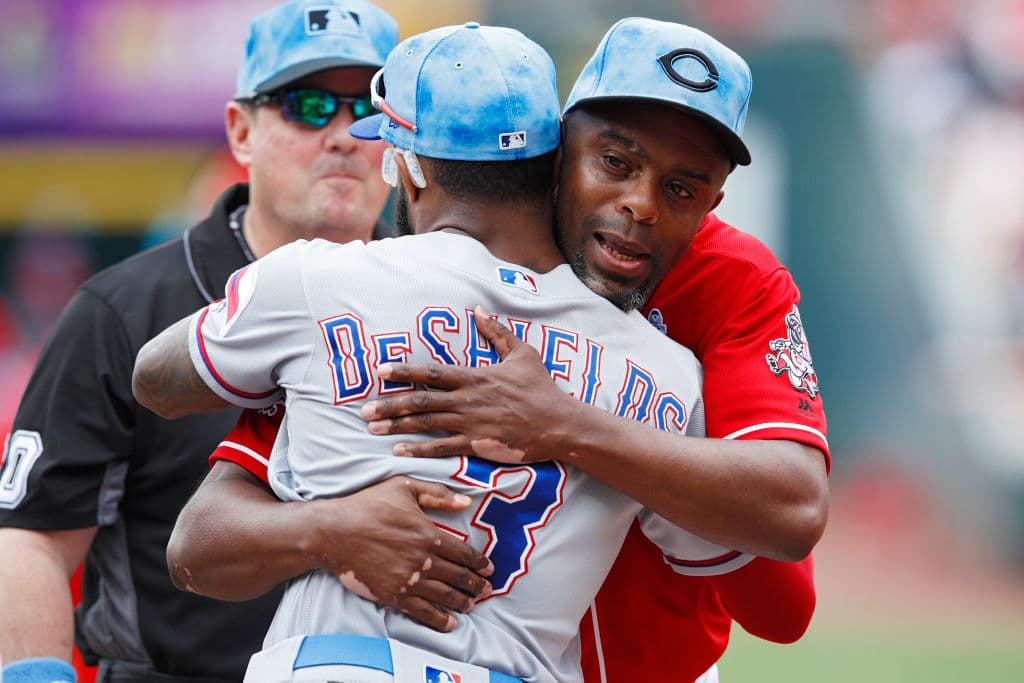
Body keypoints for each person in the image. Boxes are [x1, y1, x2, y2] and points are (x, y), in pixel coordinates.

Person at [161, 17, 829, 683]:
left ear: (713, 200)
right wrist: (330, 526)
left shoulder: (732, 281)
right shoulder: (389, 279)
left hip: (646, 660)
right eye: (616, 163)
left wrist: (567, 426)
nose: (640, 204)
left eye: (682, 188)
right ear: (557, 149)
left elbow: (786, 577)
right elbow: (208, 526)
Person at [0, 2, 493, 681]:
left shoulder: (447, 300)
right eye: (309, 105)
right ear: (241, 130)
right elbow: (33, 539)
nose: (345, 135)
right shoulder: (125, 307)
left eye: (369, 110)